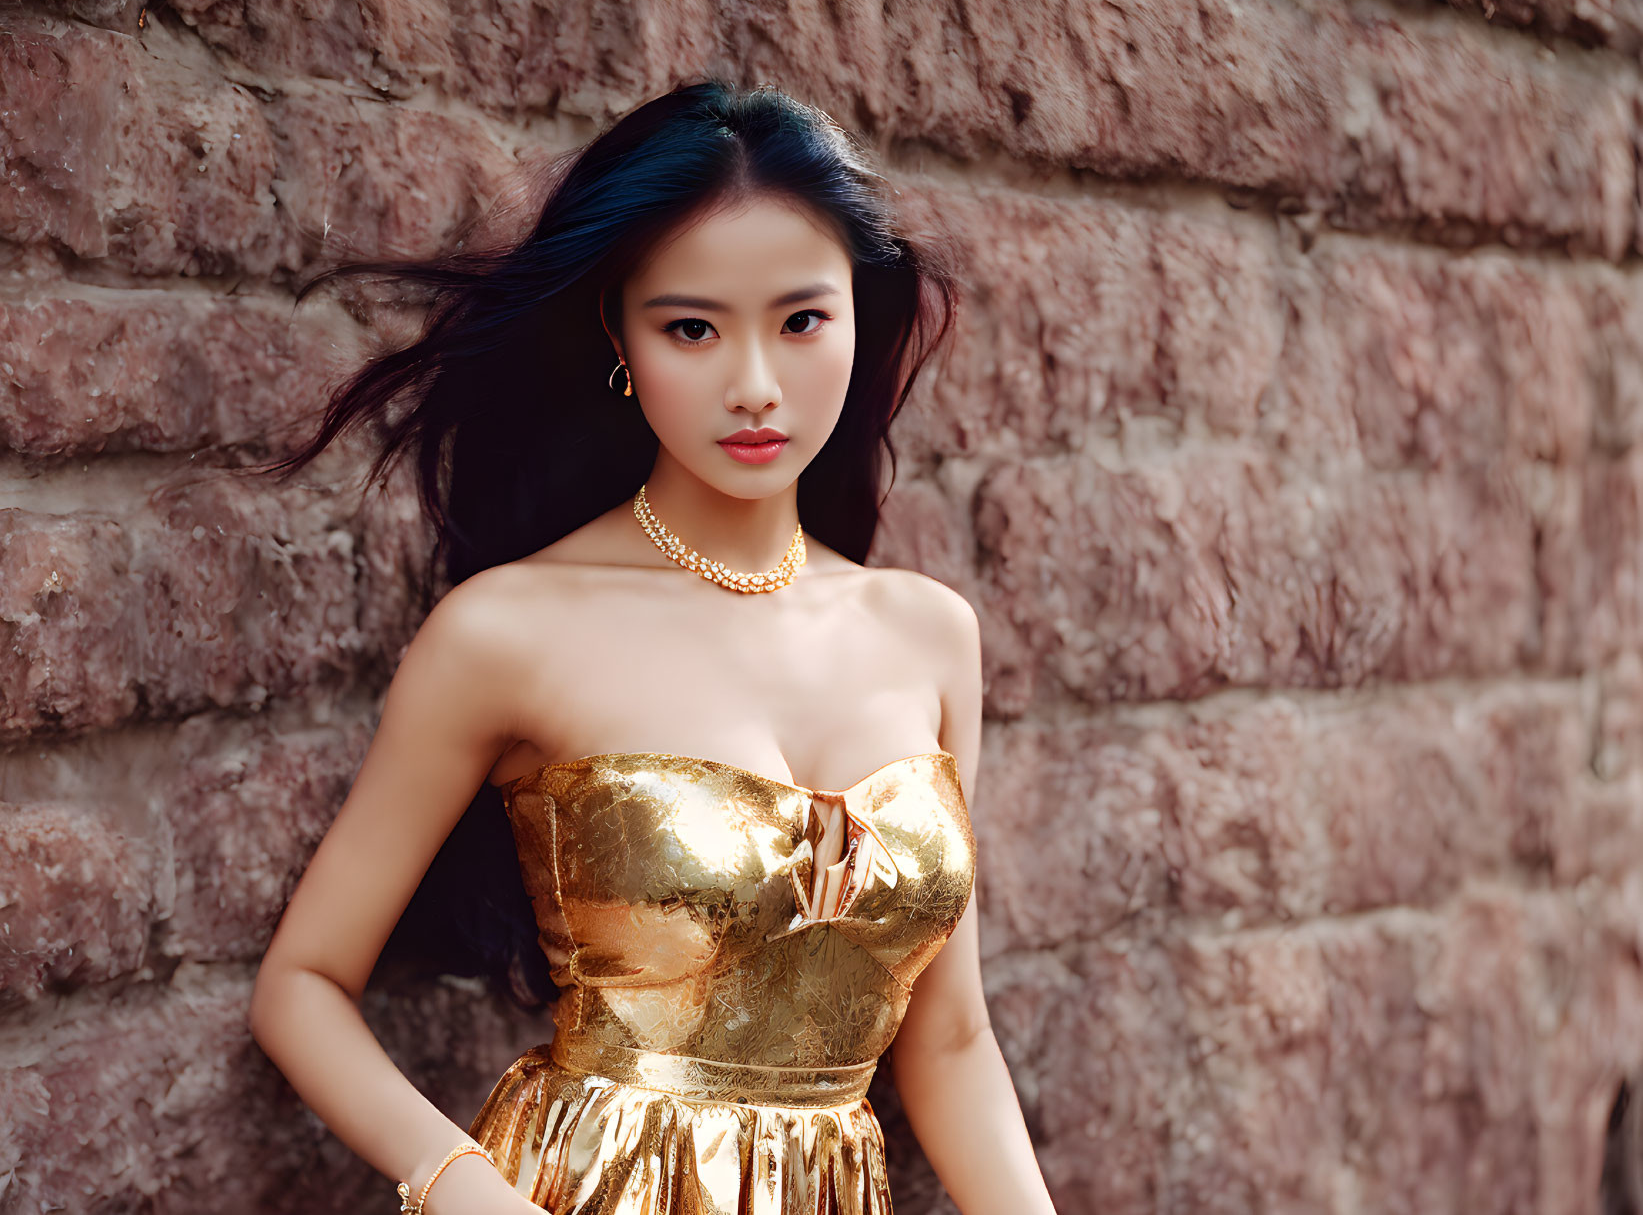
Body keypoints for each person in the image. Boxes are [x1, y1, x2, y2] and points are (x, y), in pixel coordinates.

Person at [246, 77, 1058, 1215]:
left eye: (800, 319)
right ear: (618, 339)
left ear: (858, 317)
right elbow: (303, 985)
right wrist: (467, 1191)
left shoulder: (924, 633)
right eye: (691, 327)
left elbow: (951, 1041)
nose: (755, 386)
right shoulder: (508, 629)